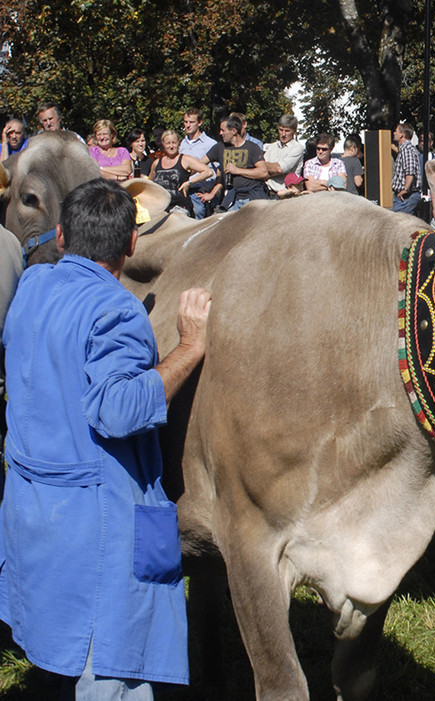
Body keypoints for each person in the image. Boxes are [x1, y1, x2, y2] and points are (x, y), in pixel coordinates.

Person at [0, 178, 211, 698]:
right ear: (131, 244)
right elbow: (118, 411)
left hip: (33, 511)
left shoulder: (32, 286)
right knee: (114, 669)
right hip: (95, 526)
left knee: (56, 644)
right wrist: (188, 346)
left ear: (60, 234)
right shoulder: (116, 310)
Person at [199, 115, 269, 211]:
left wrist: (237, 170)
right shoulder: (220, 148)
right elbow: (199, 163)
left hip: (253, 197)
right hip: (233, 198)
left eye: (223, 130)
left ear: (234, 131)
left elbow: (263, 172)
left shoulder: (252, 147)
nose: (220, 133)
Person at [149, 129, 214, 216]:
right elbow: (150, 183)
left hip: (179, 208)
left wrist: (189, 182)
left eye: (174, 142)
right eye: (168, 143)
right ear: (163, 144)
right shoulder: (156, 163)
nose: (171, 146)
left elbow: (208, 172)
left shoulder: (185, 159)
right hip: (161, 208)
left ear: (179, 143)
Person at [180, 108, 218, 219]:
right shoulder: (183, 144)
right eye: (186, 122)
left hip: (201, 193)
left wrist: (211, 194)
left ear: (199, 122)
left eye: (191, 122)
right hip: (185, 192)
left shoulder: (210, 144)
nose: (188, 125)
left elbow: (218, 172)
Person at [263, 114, 305, 197]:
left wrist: (266, 170)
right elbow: (260, 166)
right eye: (281, 130)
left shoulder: (297, 148)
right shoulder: (272, 146)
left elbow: (280, 169)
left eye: (287, 131)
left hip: (285, 194)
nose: (283, 134)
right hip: (267, 191)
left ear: (294, 131)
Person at [391, 122, 422, 214]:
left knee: (397, 224)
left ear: (402, 135)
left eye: (396, 131)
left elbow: (410, 172)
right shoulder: (406, 149)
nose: (394, 133)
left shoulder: (407, 150)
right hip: (406, 196)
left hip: (407, 197)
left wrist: (405, 189)